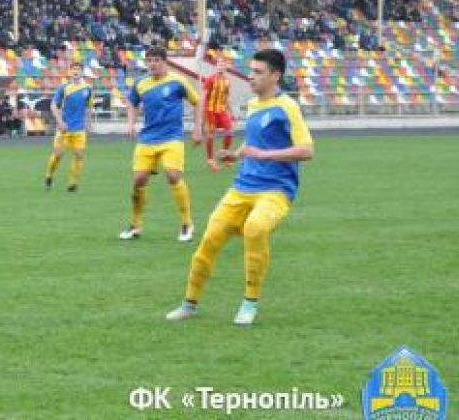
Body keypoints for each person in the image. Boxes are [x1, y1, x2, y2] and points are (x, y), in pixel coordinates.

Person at [166, 49, 314, 325]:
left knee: (255, 228)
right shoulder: (254, 105)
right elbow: (255, 143)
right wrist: (235, 154)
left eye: (258, 72)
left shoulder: (287, 106)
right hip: (242, 187)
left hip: (276, 190)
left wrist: (264, 156)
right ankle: (189, 303)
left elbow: (307, 150)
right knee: (209, 241)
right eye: (251, 70)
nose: (251, 76)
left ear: (275, 76)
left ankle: (249, 303)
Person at [119, 47, 204, 242]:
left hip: (172, 137)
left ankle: (187, 223)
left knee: (173, 175)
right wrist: (131, 123)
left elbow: (197, 102)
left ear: (165, 62)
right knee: (139, 180)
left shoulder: (178, 81)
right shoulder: (141, 83)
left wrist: (198, 129)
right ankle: (135, 225)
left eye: (157, 60)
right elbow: (131, 102)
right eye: (149, 60)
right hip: (147, 138)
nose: (153, 64)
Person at [44, 62, 92, 192]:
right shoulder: (63, 88)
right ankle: (49, 175)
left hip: (79, 129)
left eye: (78, 69)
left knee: (79, 155)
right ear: (69, 72)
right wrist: (60, 122)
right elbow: (53, 106)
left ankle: (72, 183)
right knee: (58, 154)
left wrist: (88, 123)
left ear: (82, 72)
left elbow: (88, 107)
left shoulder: (87, 89)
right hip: (64, 128)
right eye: (73, 69)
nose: (76, 72)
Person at [203, 56, 236, 172]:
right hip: (210, 111)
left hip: (222, 111)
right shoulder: (210, 79)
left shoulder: (227, 81)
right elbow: (204, 97)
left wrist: (231, 113)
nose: (221, 66)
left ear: (226, 67)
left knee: (230, 131)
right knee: (211, 134)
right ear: (216, 66)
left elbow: (227, 98)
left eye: (223, 64)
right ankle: (210, 159)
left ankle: (225, 155)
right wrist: (203, 113)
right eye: (219, 64)